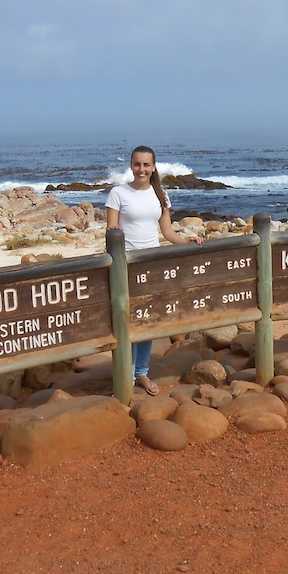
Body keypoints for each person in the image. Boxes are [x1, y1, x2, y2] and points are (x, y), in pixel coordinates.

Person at [106, 145, 202, 396]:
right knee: (126, 321)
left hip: (152, 265)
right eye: (137, 164)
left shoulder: (160, 195)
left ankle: (142, 373)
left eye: (146, 165)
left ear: (154, 167)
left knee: (146, 321)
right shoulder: (118, 193)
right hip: (125, 266)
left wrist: (187, 241)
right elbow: (112, 230)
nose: (142, 169)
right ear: (131, 165)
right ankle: (125, 376)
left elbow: (167, 232)